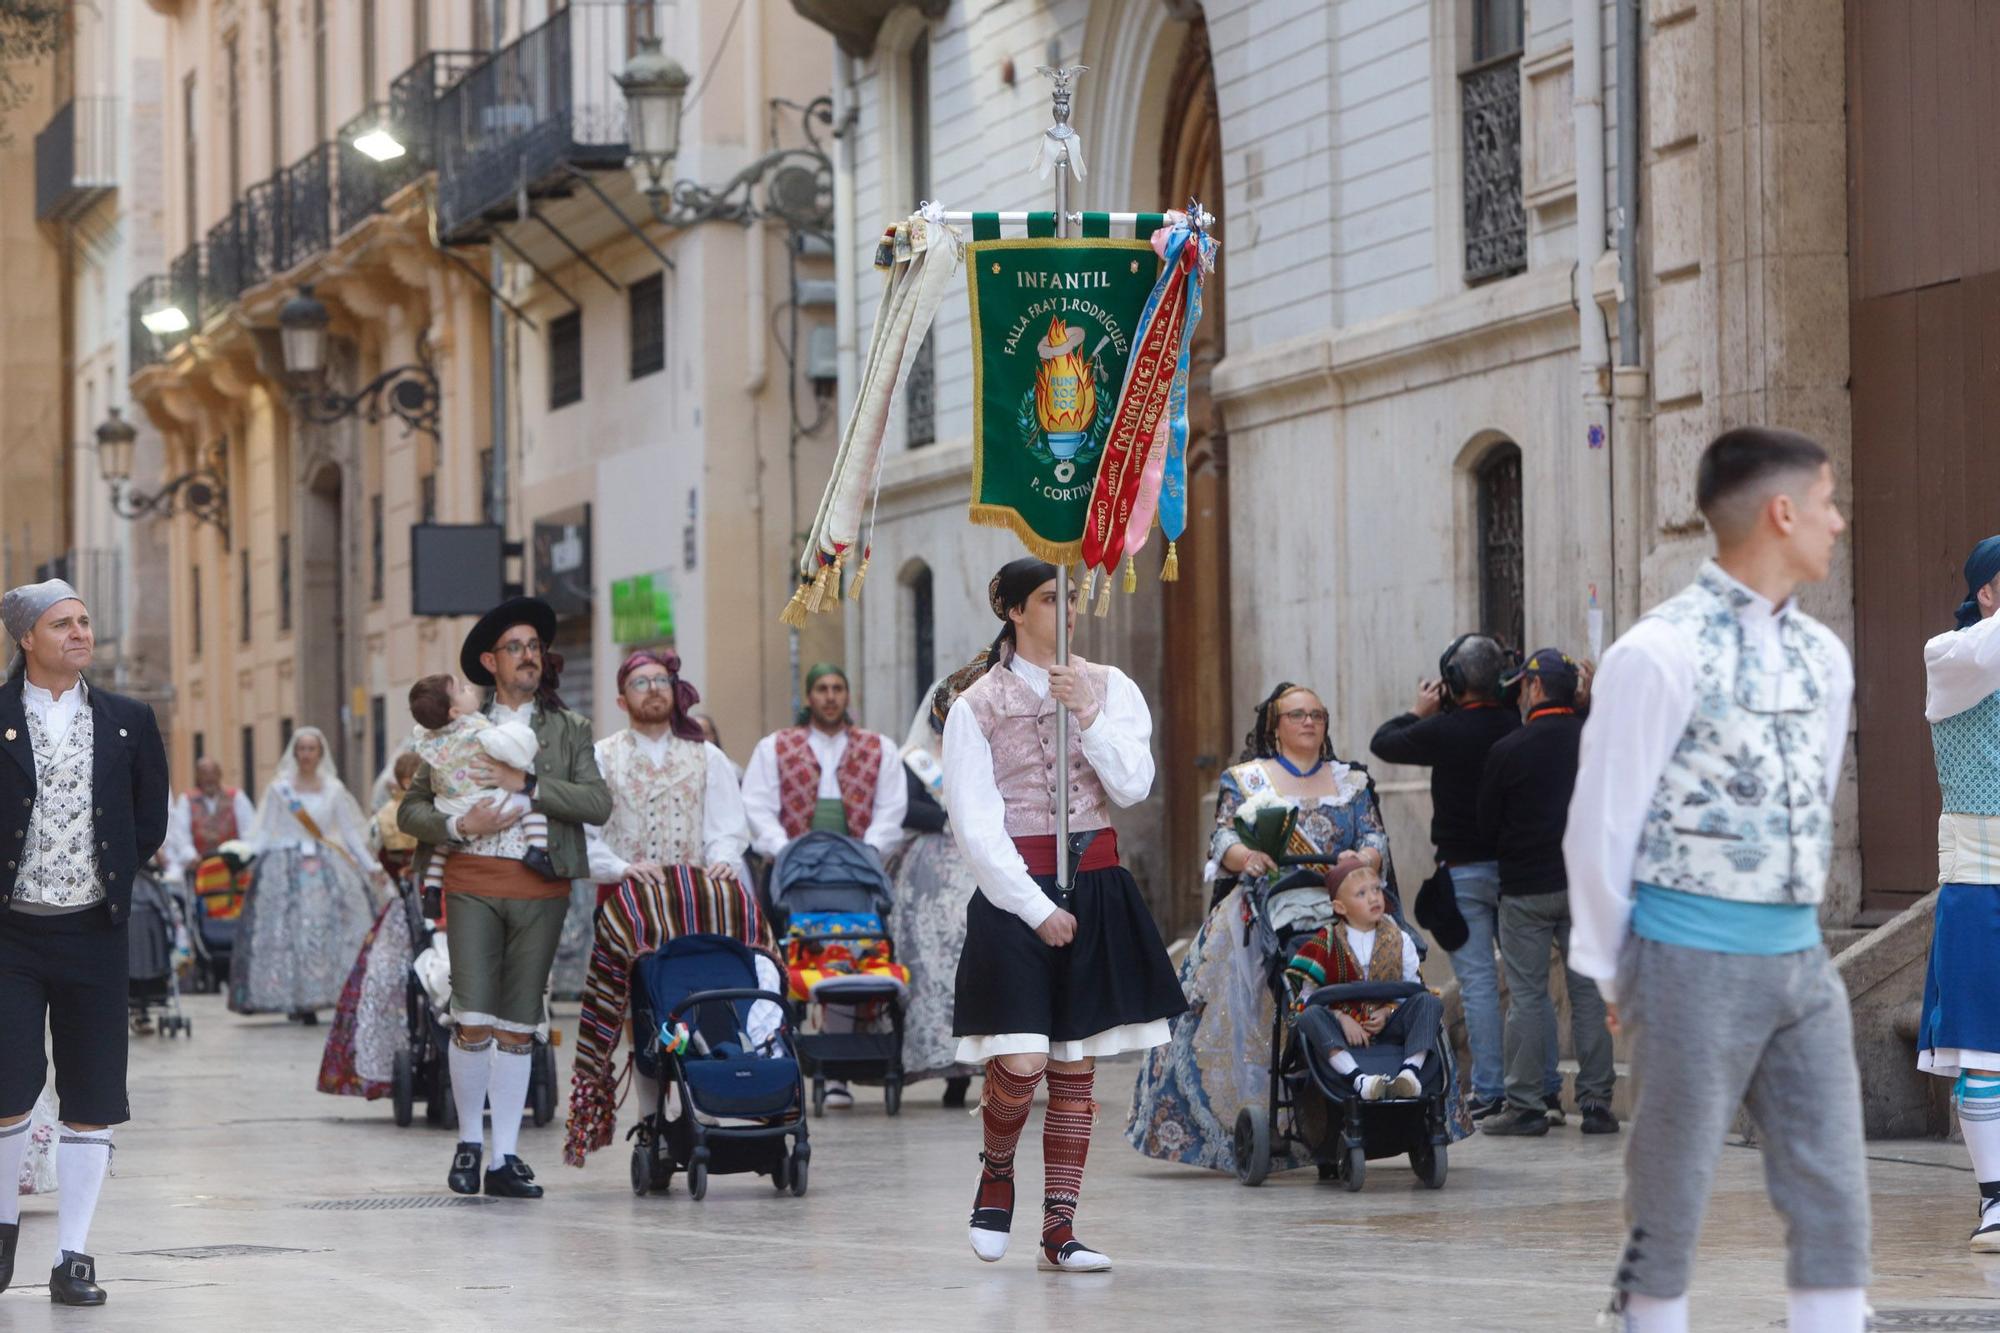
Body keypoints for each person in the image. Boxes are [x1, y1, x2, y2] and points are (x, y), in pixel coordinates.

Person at [1566, 426, 1867, 1332]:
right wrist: (1618, 970)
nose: (1838, 522)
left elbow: (1810, 802)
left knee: (1836, 1197)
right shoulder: (1656, 651)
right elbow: (1601, 823)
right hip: (1685, 953)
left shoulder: (1826, 657)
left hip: (1801, 960)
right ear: (1782, 511)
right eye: (1825, 502)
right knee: (1670, 1194)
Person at [948, 558, 1185, 1274]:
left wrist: (1084, 708)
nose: (1068, 610)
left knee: (1074, 1063)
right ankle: (996, 1168)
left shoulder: (1109, 686)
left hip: (1097, 879)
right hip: (1014, 889)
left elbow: (1134, 784)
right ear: (1013, 609)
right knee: (1020, 1058)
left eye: (1073, 597)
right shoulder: (976, 704)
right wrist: (1032, 905)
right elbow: (974, 823)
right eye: (1052, 597)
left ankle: (1061, 1227)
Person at [1125, 681, 1391, 1172]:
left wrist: (1365, 856)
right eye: (1297, 715)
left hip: (1344, 905)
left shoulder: (1350, 780)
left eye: (1317, 714)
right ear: (1275, 724)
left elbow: (1374, 831)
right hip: (1267, 910)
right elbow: (1224, 833)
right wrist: (1246, 855)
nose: (1309, 722)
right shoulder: (1247, 780)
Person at [399, 597, 611, 1200]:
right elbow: (411, 810)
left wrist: (531, 786)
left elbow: (597, 804)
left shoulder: (568, 729)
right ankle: (469, 1144)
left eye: (535, 647)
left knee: (522, 1022)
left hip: (540, 888)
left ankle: (507, 1157)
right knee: (471, 1015)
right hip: (469, 884)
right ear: (490, 661)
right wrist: (460, 827)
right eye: (516, 647)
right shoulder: (455, 725)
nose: (529, 656)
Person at [0, 579, 168, 1306]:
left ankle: (73, 1256)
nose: (79, 632)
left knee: (92, 1094)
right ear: (26, 638)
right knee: (6, 1090)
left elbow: (148, 822)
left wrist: (111, 879)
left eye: (84, 620)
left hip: (95, 931)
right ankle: (2, 1234)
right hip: (10, 931)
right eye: (61, 623)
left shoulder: (128, 720)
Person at [1371, 634, 1558, 1120]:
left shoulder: (1445, 730)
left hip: (1464, 873)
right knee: (1527, 985)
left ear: (1452, 682)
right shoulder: (1513, 723)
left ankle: (1492, 1088)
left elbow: (1383, 741)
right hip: (1518, 873)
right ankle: (1547, 1085)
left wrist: (1419, 710)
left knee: (1476, 983)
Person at [742, 662, 905, 1108]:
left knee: (851, 955)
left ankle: (838, 1075)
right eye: (822, 689)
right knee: (786, 961)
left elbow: (891, 810)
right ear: (808, 697)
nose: (830, 696)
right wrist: (787, 853)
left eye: (838, 688)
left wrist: (863, 856)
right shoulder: (775, 747)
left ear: (847, 696)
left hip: (856, 876)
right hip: (793, 877)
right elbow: (757, 806)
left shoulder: (878, 748)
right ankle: (782, 1060)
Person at [1476, 648, 1617, 1138]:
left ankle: (1527, 1103)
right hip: (1585, 886)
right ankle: (1597, 1103)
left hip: (1526, 889)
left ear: (1535, 688)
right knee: (1589, 996)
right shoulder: (1594, 741)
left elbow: (1485, 825)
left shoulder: (1509, 750)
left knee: (1529, 997)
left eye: (1521, 687)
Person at [1917, 533, 2000, 1251]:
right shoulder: (1950, 656)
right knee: (1981, 1050)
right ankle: (1995, 1199)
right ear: (1987, 593)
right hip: (1980, 880)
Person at [229, 727, 380, 1022]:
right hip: (283, 865)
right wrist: (244, 854)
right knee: (288, 933)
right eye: (302, 749)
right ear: (294, 753)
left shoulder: (334, 789)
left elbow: (349, 833)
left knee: (327, 930)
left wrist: (370, 866)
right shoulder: (279, 789)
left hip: (325, 866)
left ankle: (327, 993)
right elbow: (264, 829)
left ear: (320, 753)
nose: (306, 754)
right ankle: (294, 996)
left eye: (312, 749)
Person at [888, 665, 988, 1108]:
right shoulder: (914, 758)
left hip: (978, 866)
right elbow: (904, 809)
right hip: (930, 868)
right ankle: (946, 1063)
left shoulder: (984, 748)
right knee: (934, 962)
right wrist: (946, 818)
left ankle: (989, 1062)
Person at [584, 650, 748, 905]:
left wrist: (723, 860)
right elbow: (583, 836)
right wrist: (619, 868)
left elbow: (727, 828)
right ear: (622, 702)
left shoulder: (707, 756)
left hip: (693, 897)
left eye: (661, 680)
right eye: (640, 683)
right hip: (623, 900)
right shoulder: (600, 756)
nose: (653, 689)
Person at [1285, 863, 1439, 1100]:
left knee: (1428, 1002)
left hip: (1390, 1024)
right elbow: (1307, 999)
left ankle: (1409, 1073)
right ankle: (1359, 1079)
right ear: (1340, 907)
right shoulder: (1324, 943)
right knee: (1310, 1015)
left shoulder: (1400, 939)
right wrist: (1341, 1018)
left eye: (1376, 890)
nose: (1373, 898)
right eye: (1362, 894)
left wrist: (1389, 1011)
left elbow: (1410, 990)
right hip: (1342, 1030)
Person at [407, 672, 552, 884]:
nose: (469, 688)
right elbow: (513, 748)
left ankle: (432, 886)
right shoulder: (478, 731)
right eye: (461, 689)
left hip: (448, 805)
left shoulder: (430, 738)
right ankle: (539, 850)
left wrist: (455, 825)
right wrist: (529, 749)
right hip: (484, 802)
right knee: (529, 803)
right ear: (455, 711)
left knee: (441, 845)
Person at [160, 756, 256, 886]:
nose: (209, 779)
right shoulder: (187, 800)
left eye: (213, 774)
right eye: (204, 774)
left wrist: (242, 858)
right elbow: (180, 835)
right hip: (200, 871)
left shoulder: (237, 797)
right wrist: (192, 857)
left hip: (234, 870)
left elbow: (250, 831)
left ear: (219, 774)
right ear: (198, 777)